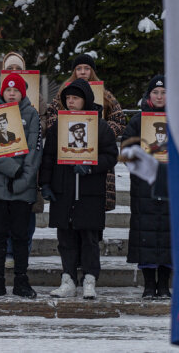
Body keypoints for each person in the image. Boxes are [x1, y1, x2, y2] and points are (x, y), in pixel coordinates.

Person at [40, 79, 118, 299]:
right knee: (65, 238)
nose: (71, 102)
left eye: (75, 98)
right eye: (68, 98)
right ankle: (68, 278)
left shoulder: (100, 126)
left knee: (90, 238)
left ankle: (90, 279)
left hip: (90, 191)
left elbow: (111, 155)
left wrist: (91, 166)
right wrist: (45, 183)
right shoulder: (58, 126)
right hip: (63, 189)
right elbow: (48, 156)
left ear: (86, 100)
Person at [0, 73, 42, 299]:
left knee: (20, 236)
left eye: (16, 90)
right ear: (2, 92)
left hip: (22, 188)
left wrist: (23, 180)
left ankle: (21, 280)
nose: (12, 94)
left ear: (22, 93)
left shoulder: (31, 114)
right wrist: (12, 170)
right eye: (8, 90)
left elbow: (35, 150)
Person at [43, 54, 127, 211]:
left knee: (92, 204)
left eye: (87, 68)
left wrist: (100, 132)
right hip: (67, 154)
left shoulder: (105, 94)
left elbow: (119, 119)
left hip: (96, 152)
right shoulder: (63, 93)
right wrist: (62, 130)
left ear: (92, 71)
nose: (82, 72)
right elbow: (51, 117)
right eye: (79, 68)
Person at [121, 74, 172, 299]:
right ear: (149, 95)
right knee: (146, 234)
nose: (160, 96)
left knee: (168, 234)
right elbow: (126, 149)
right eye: (155, 92)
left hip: (170, 184)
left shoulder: (178, 119)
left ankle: (164, 285)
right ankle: (149, 284)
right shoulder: (138, 121)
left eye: (164, 92)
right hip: (145, 186)